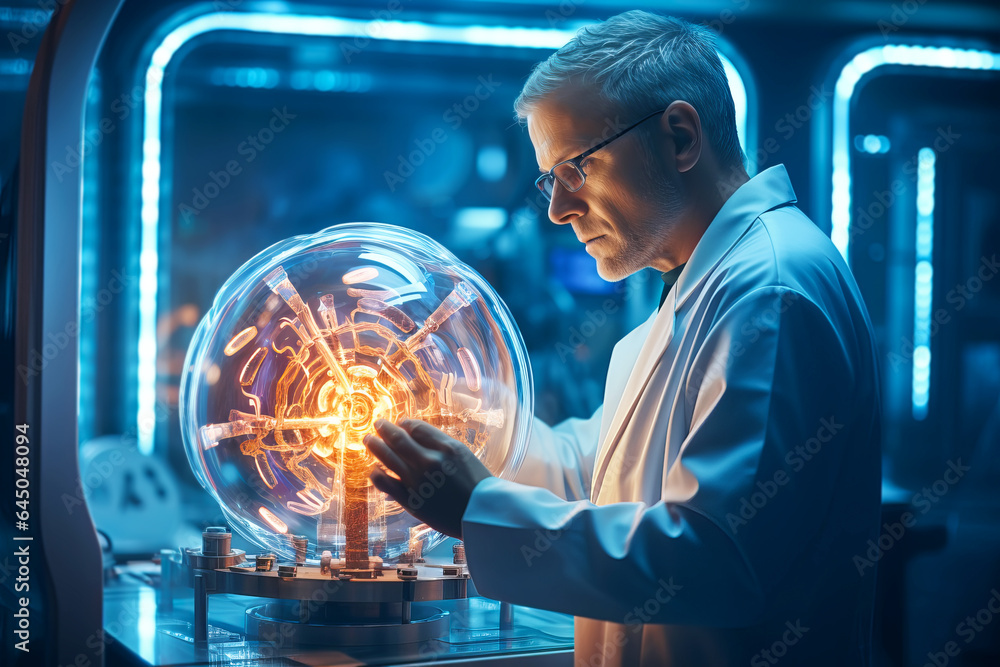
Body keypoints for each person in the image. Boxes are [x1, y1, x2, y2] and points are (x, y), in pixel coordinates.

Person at [365, 10, 882, 666]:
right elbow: (595, 475)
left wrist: (477, 506)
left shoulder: (770, 291)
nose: (557, 209)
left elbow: (716, 556)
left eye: (576, 169)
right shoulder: (695, 294)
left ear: (680, 136)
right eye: (549, 180)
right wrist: (471, 418)